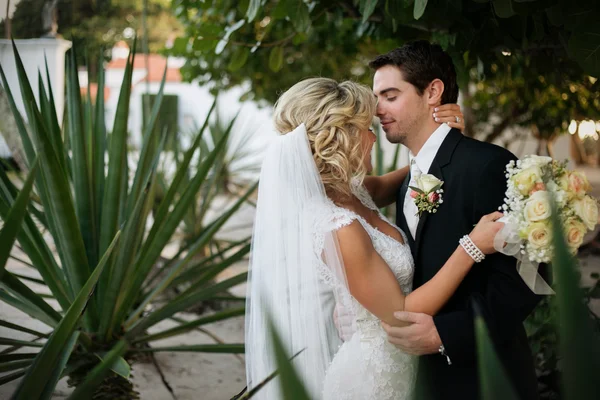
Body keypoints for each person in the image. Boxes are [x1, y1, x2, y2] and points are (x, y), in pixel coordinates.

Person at [245, 76, 506, 399]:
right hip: (372, 379)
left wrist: (444, 139)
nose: (374, 136)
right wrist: (473, 246)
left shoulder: (356, 191)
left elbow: (415, 173)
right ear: (343, 138)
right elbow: (400, 314)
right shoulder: (338, 226)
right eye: (366, 128)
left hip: (401, 366)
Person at [370, 41, 541, 400]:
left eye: (389, 95)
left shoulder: (487, 166)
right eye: (376, 98)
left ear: (433, 91)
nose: (377, 110)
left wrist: (446, 334)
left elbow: (532, 275)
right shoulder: (411, 175)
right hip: (425, 377)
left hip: (485, 377)